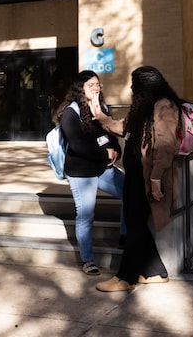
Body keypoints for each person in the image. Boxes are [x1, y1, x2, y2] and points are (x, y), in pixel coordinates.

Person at [89, 66, 184, 292]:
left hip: (146, 177)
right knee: (135, 222)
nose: (131, 89)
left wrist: (156, 178)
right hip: (134, 174)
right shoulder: (143, 107)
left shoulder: (165, 106)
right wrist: (101, 117)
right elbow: (124, 128)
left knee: (135, 223)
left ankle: (126, 277)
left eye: (134, 85)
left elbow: (164, 144)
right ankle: (155, 272)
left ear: (145, 86)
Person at [58, 70, 125, 276]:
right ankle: (88, 260)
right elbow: (79, 145)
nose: (96, 88)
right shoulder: (71, 113)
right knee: (86, 214)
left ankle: (125, 237)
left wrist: (116, 151)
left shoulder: (102, 109)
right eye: (91, 85)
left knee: (132, 191)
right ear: (81, 89)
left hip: (101, 167)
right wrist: (106, 155)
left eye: (98, 84)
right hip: (81, 172)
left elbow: (111, 136)